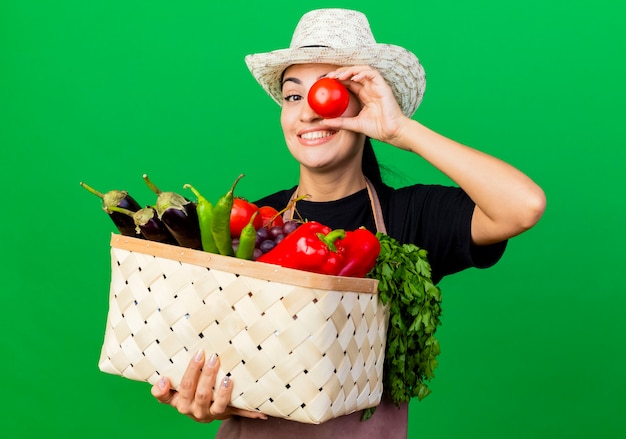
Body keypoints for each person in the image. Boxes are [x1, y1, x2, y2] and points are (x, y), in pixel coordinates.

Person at [151, 8, 546, 438]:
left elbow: (522, 206)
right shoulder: (251, 222)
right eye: (293, 96)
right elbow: (210, 344)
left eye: (329, 93)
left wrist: (400, 130)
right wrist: (202, 395)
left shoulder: (410, 217)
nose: (308, 113)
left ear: (365, 102)